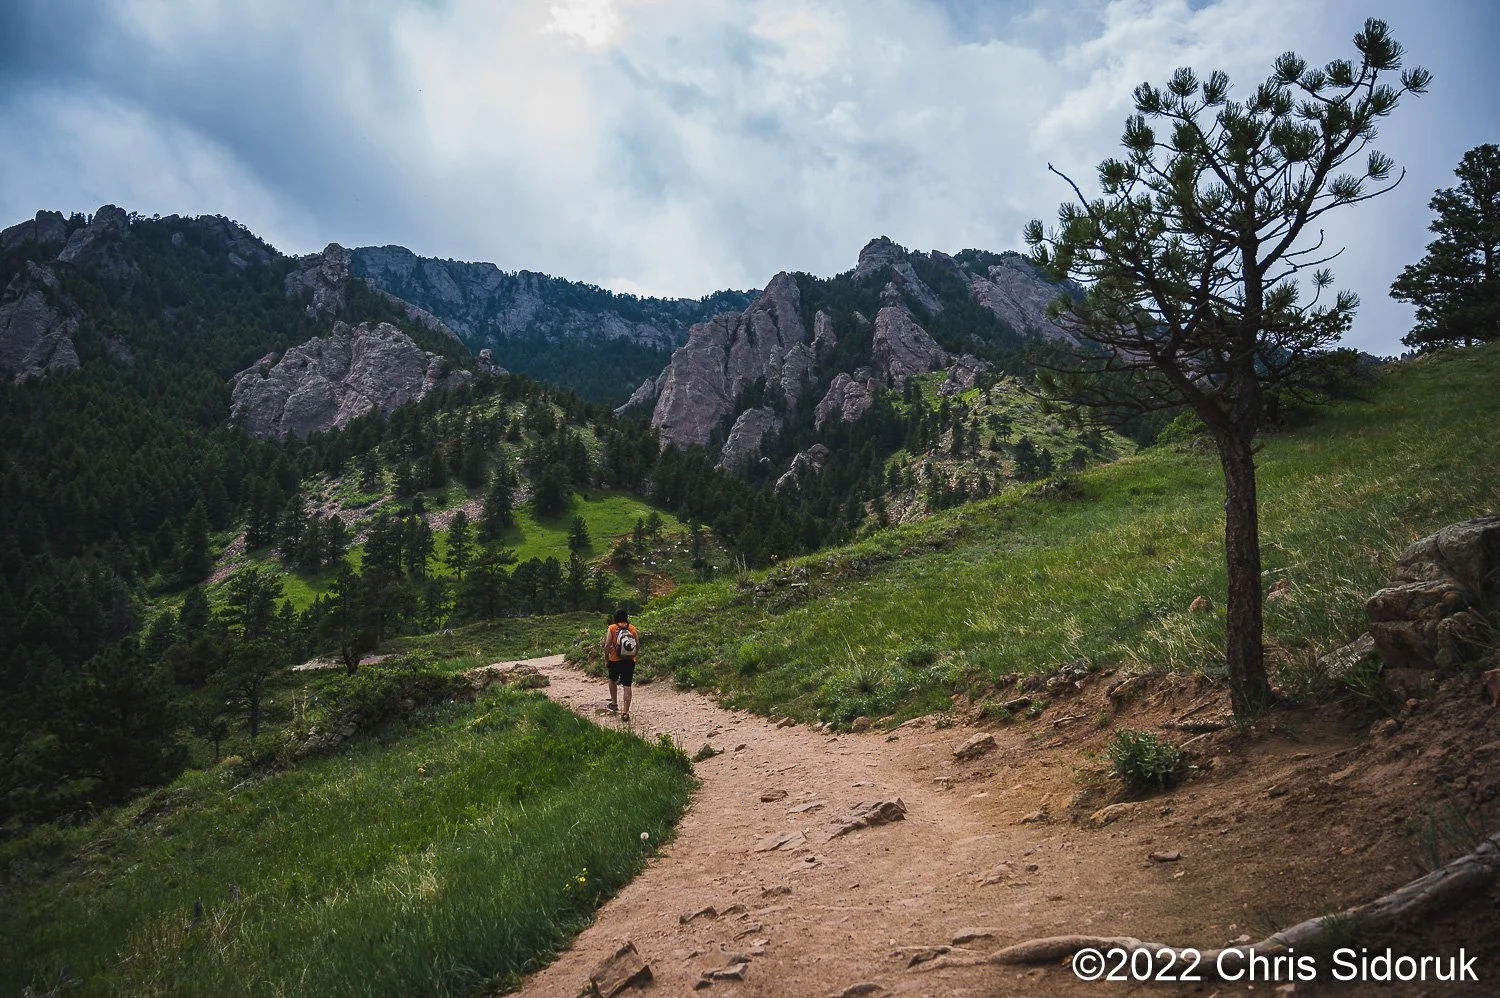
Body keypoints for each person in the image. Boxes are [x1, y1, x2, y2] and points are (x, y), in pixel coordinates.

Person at [603, 607, 639, 721]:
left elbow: (607, 645)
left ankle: (614, 703)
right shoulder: (632, 628)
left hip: (614, 659)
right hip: (629, 661)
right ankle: (625, 713)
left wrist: (606, 659)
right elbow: (637, 645)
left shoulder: (612, 628)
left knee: (612, 679)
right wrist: (633, 655)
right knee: (627, 685)